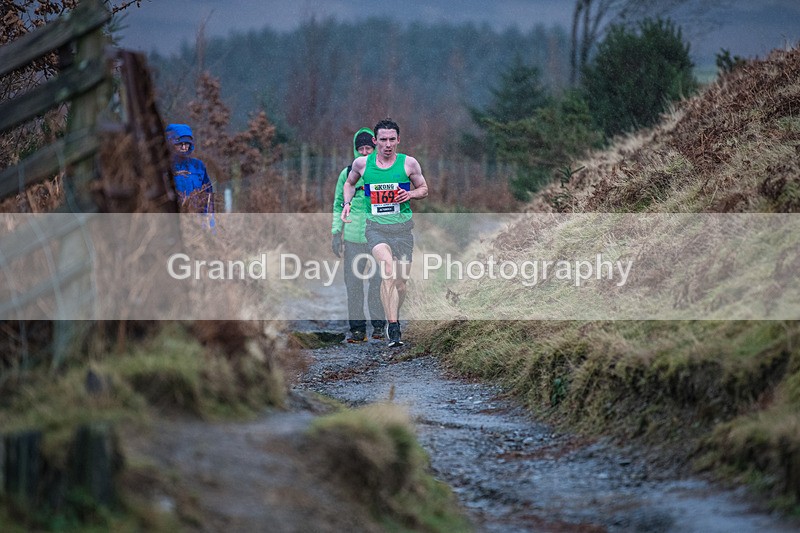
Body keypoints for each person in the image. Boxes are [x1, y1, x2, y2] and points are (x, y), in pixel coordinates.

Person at [340, 118, 428, 347]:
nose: (387, 144)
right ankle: (393, 327)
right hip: (376, 229)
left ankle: (393, 312)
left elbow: (424, 189)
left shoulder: (409, 164)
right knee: (387, 269)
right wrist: (347, 203)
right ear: (375, 141)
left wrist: (409, 195)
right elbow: (348, 184)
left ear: (398, 140)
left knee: (400, 283)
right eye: (382, 140)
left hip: (403, 230)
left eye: (391, 139)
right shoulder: (362, 164)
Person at [331, 128, 386, 343]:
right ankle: (357, 330)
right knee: (353, 285)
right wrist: (336, 232)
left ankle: (379, 327)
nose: (364, 152)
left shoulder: (383, 172)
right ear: (355, 150)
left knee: (377, 284)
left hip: (378, 238)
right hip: (353, 238)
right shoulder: (347, 174)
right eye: (360, 149)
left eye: (368, 149)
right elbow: (338, 204)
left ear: (375, 149)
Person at [165, 123, 215, 225]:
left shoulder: (198, 166)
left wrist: (210, 222)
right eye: (179, 144)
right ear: (170, 144)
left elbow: (208, 196)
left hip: (197, 221)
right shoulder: (164, 167)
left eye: (187, 143)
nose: (184, 147)